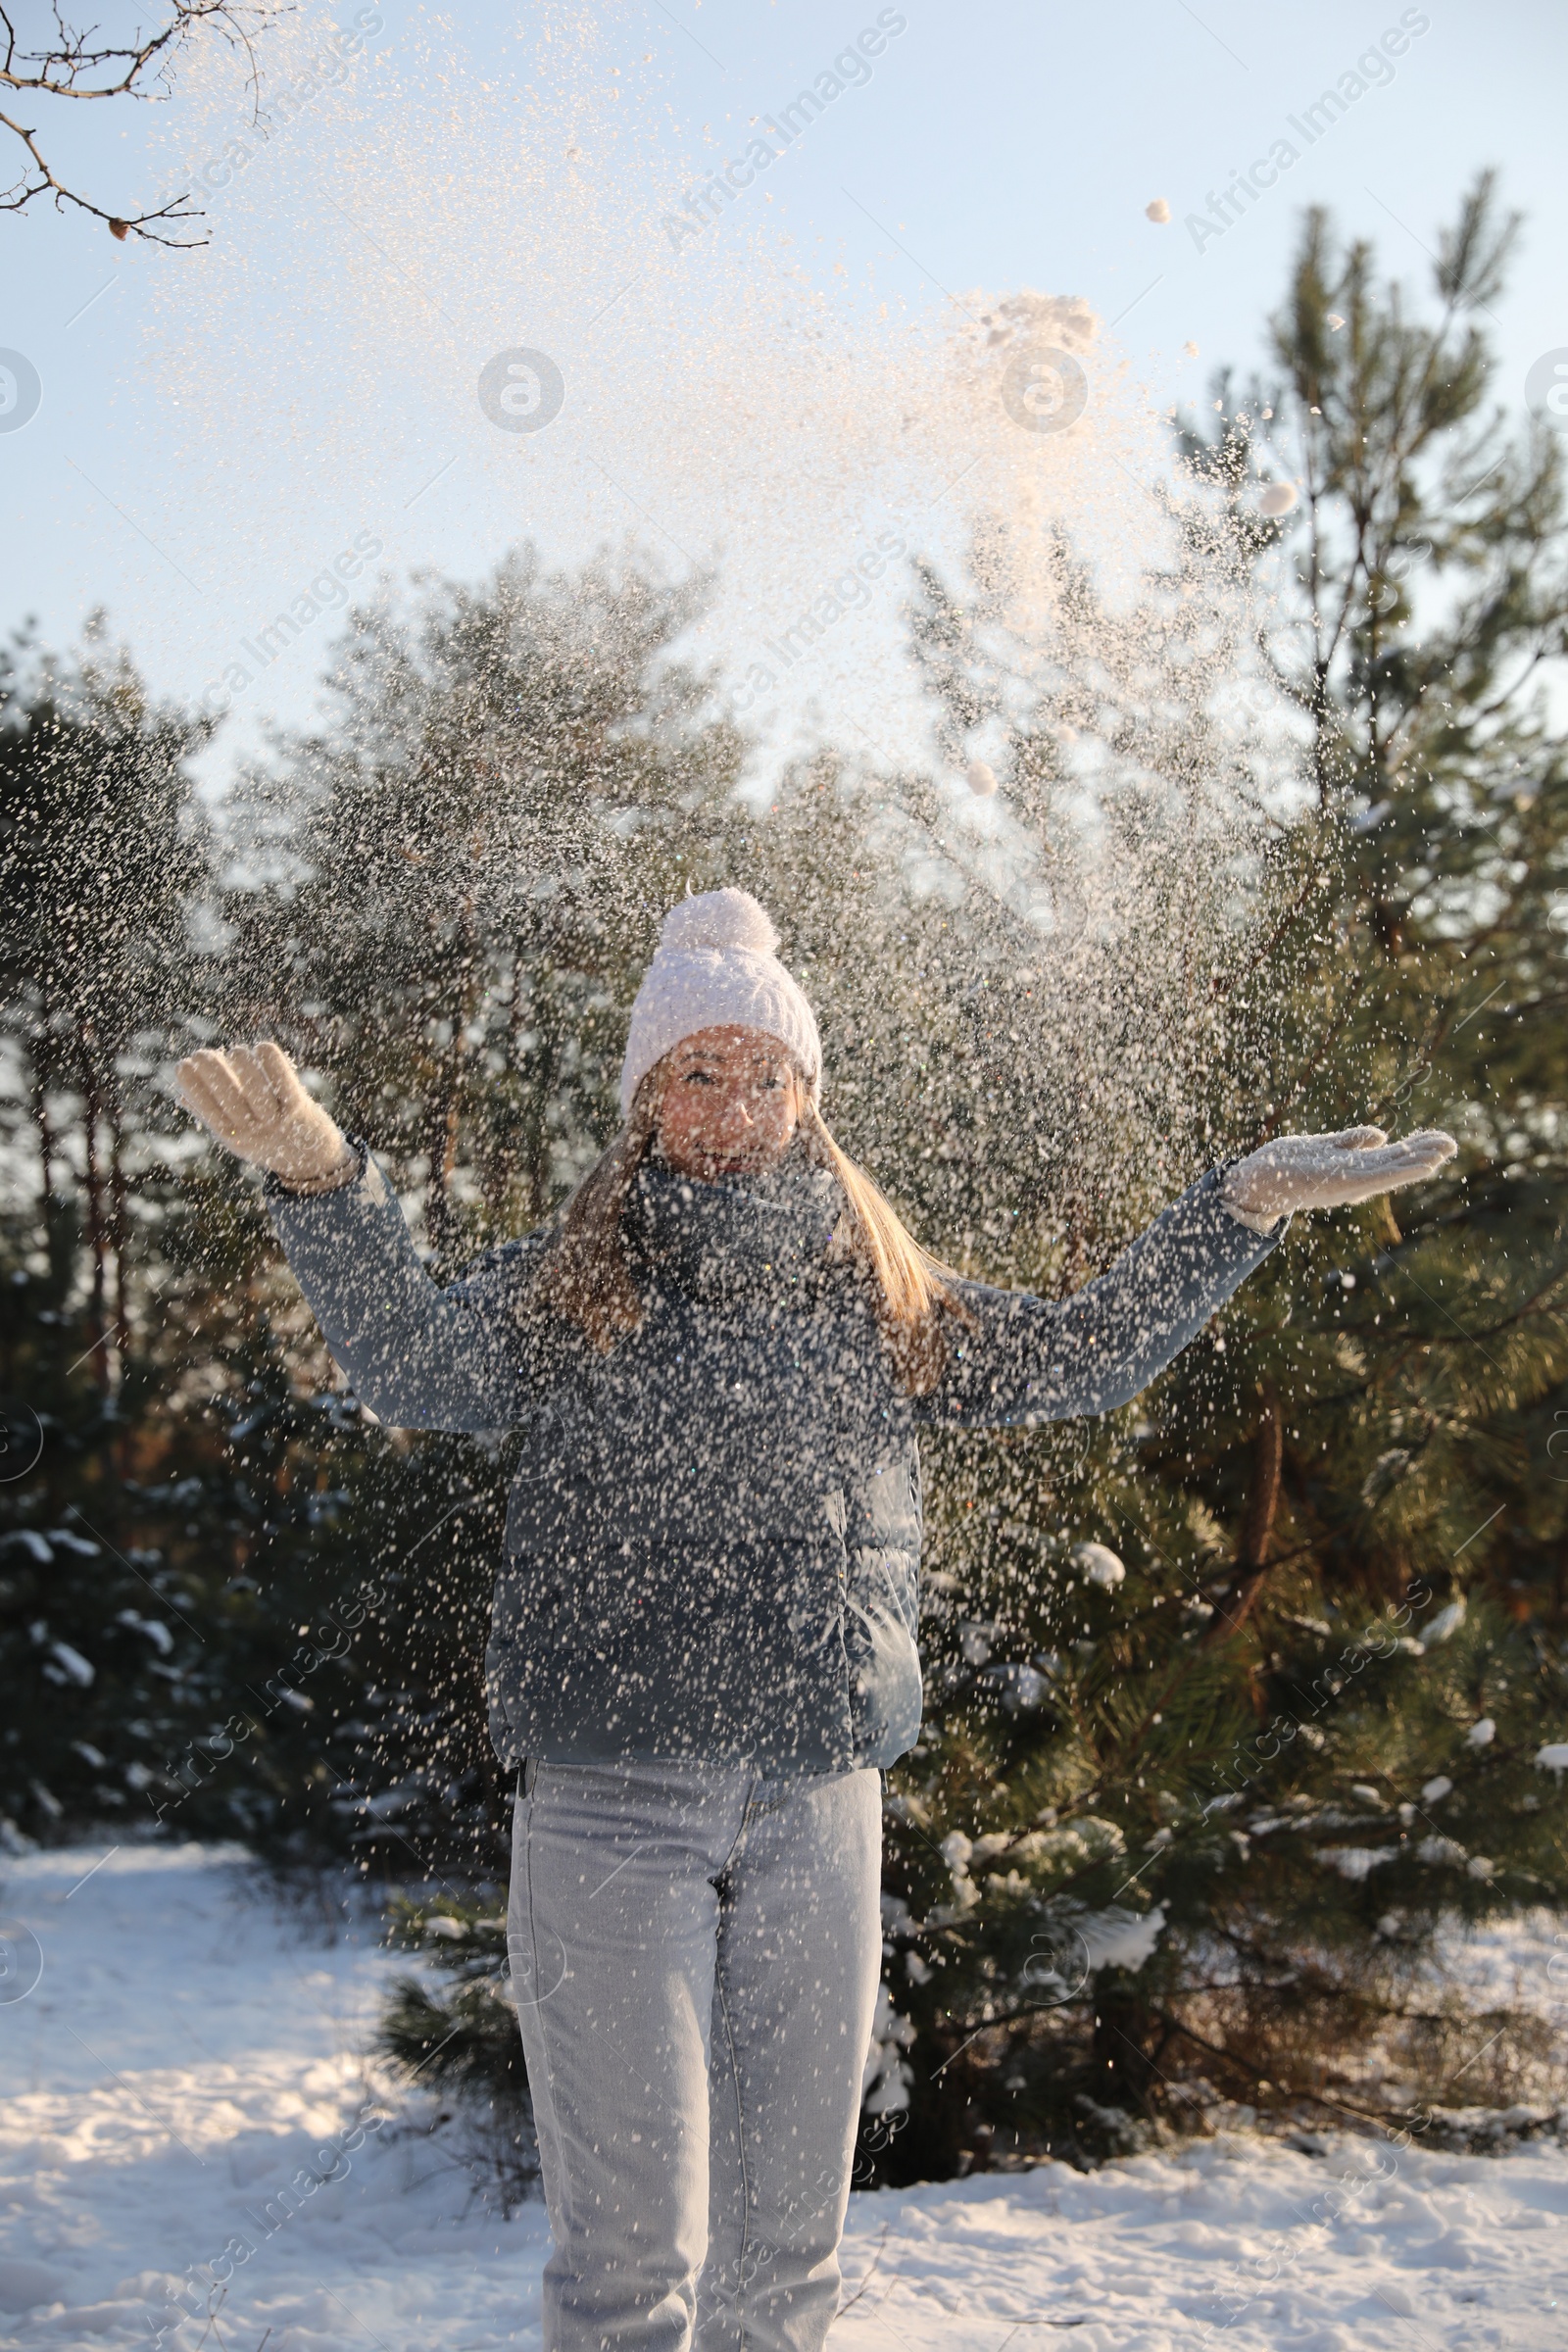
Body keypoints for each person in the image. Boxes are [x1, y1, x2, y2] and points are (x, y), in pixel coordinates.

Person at [177, 887, 1455, 2352]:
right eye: (697, 1074)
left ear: (807, 1093)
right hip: (609, 1801)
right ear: (649, 1098)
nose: (733, 1106)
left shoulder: (881, 1292)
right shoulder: (576, 1284)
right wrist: (325, 1181)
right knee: (626, 2269)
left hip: (818, 1802)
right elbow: (407, 1364)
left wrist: (1233, 1209)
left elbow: (1087, 1352)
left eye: (762, 1073)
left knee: (784, 2270)